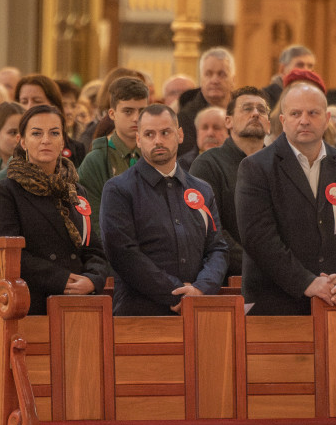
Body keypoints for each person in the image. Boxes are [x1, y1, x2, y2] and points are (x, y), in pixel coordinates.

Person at [235, 81, 336, 315]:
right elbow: (259, 238)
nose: (304, 120)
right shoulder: (256, 168)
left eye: (313, 113)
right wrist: (307, 282)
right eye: (295, 113)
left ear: (327, 118)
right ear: (282, 121)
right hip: (275, 304)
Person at [100, 104, 228, 316]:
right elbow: (124, 254)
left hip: (197, 311)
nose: (158, 140)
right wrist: (176, 292)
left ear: (179, 135)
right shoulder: (118, 190)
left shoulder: (202, 190)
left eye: (165, 132)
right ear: (139, 139)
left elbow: (217, 248)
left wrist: (202, 288)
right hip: (139, 313)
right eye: (149, 134)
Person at [0, 105, 108, 315]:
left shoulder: (76, 190)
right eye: (36, 133)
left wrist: (92, 279)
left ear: (62, 141)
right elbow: (7, 254)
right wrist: (62, 280)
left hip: (80, 304)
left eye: (54, 133)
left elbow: (93, 248)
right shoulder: (7, 191)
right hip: (32, 304)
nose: (46, 140)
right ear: (23, 142)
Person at [190, 86, 270, 278]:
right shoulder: (207, 164)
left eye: (262, 110)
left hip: (280, 279)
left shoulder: (281, 165)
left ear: (269, 123)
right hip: (227, 280)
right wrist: (258, 266)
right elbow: (208, 228)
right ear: (229, 121)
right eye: (247, 108)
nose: (255, 114)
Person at [79, 77, 150, 241]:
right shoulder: (96, 160)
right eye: (128, 111)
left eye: (142, 111)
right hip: (111, 252)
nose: (135, 118)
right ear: (112, 114)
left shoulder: (154, 154)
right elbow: (93, 221)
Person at [14, 74, 87, 167]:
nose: (29, 107)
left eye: (37, 101)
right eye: (24, 102)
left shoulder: (76, 149)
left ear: (53, 105)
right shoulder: (8, 142)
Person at [178, 47, 236, 156]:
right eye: (208, 74)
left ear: (233, 80)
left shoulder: (243, 113)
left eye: (221, 74)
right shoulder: (184, 118)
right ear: (201, 79)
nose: (214, 80)